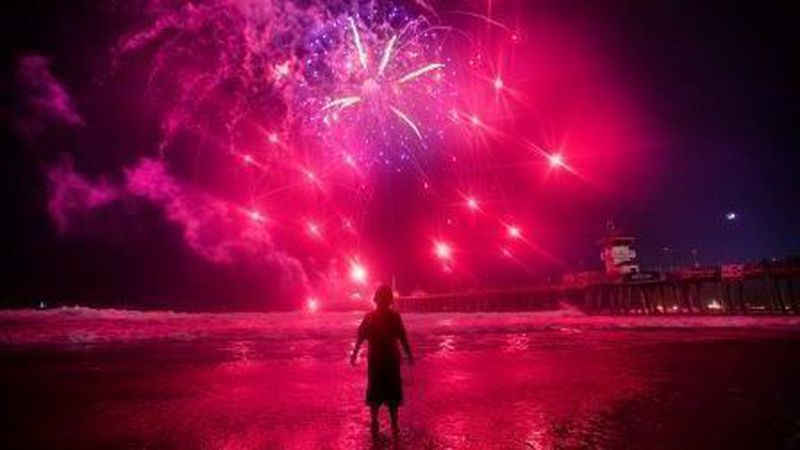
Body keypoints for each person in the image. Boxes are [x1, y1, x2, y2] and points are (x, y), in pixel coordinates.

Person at [350, 284, 413, 435]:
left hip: (376, 359)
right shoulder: (394, 316)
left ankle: (374, 422)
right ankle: (394, 424)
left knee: (375, 390)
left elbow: (360, 337)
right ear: (390, 300)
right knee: (392, 391)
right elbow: (402, 337)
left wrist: (355, 354)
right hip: (391, 358)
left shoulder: (370, 317)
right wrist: (409, 354)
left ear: (376, 299)